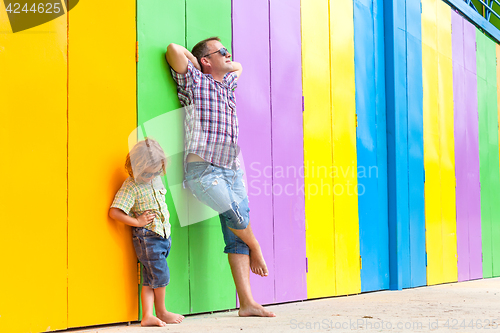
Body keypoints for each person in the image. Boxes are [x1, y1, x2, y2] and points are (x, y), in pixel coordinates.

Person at [166, 37, 275, 317]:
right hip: (203, 170)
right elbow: (173, 51)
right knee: (238, 217)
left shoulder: (227, 84)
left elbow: (239, 67)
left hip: (232, 170)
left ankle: (248, 304)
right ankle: (256, 245)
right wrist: (197, 63)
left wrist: (222, 61)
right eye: (221, 52)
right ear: (205, 60)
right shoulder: (194, 82)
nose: (228, 55)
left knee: (234, 229)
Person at [109, 138, 184, 326]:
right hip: (148, 237)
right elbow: (114, 211)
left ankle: (148, 316)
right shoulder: (131, 186)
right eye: (147, 174)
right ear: (135, 167)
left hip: (162, 236)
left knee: (151, 277)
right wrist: (136, 221)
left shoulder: (156, 179)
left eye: (156, 172)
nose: (152, 176)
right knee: (161, 275)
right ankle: (162, 311)